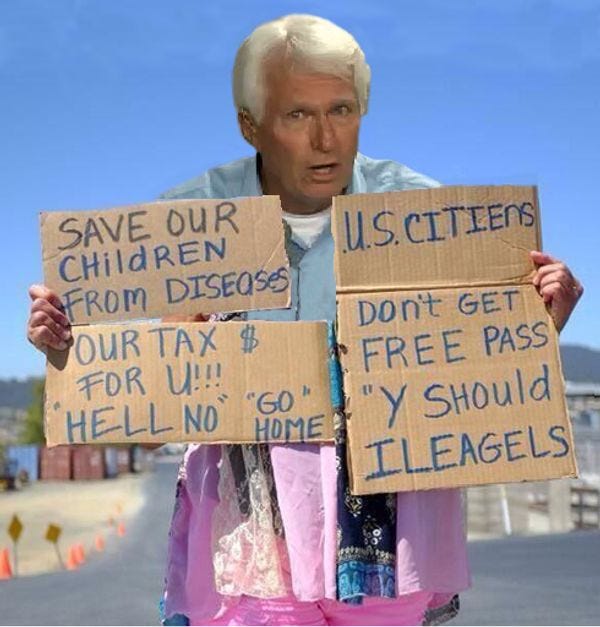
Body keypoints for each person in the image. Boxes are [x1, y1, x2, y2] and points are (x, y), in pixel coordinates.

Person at [27, 14, 583, 626]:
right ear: (251, 126)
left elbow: (471, 365)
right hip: (256, 518)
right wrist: (68, 349)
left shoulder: (425, 214)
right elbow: (160, 397)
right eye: (297, 115)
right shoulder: (192, 219)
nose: (325, 138)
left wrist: (538, 323)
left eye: (341, 110)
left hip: (389, 509)